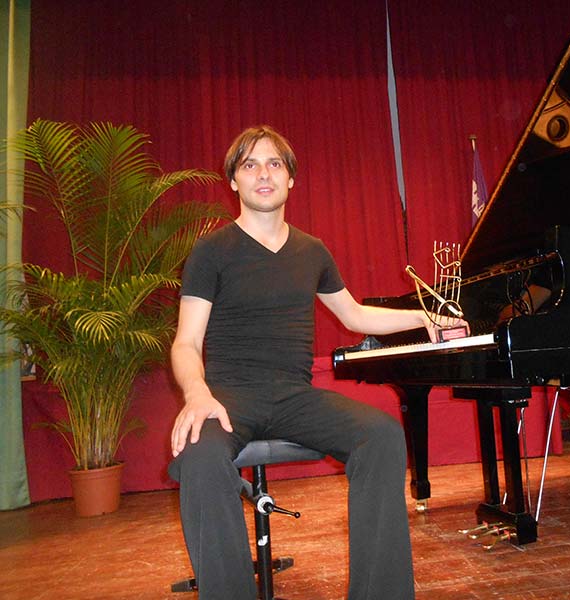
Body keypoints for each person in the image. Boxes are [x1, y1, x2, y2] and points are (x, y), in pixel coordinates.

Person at [168, 125, 463, 600]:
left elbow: (354, 315)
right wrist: (197, 393)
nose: (263, 174)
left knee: (381, 435)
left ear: (291, 179)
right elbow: (186, 343)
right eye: (250, 165)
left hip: (294, 396)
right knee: (199, 456)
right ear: (234, 181)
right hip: (229, 398)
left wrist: (423, 318)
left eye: (274, 164)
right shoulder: (211, 251)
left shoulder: (312, 250)